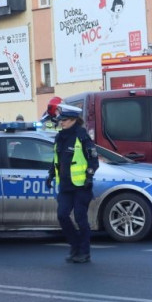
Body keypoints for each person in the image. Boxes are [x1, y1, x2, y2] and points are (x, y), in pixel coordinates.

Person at [45, 104, 99, 263]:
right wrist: (50, 175)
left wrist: (89, 177)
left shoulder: (82, 136)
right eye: (61, 120)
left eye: (65, 120)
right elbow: (57, 159)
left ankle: (84, 251)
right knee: (62, 215)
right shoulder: (60, 136)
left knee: (80, 218)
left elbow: (93, 160)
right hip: (66, 186)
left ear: (74, 120)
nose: (62, 122)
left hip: (81, 186)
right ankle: (75, 245)